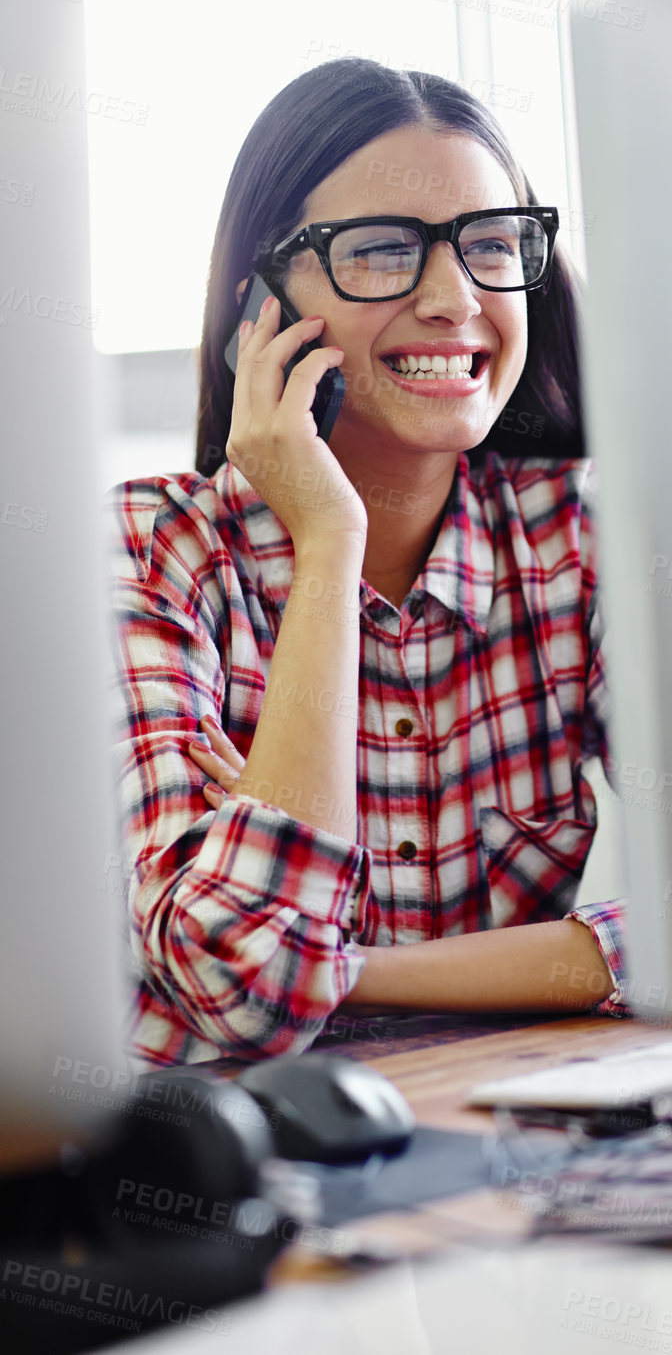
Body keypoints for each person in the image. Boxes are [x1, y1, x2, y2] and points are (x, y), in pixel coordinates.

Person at [104, 59, 627, 1068]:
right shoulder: (150, 552)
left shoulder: (578, 536)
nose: (454, 298)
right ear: (260, 307)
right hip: (229, 1146)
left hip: (501, 1115)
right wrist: (328, 544)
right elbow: (245, 986)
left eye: (491, 243)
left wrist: (345, 968)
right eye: (384, 250)